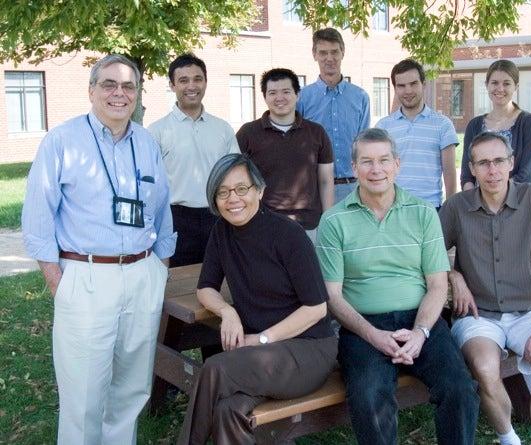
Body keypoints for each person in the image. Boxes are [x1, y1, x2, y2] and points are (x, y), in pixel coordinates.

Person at [21, 54, 176, 445]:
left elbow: (162, 212)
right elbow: (38, 219)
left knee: (131, 389)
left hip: (142, 275)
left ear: (138, 94)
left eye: (128, 86)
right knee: (84, 395)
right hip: (85, 278)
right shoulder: (62, 141)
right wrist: (59, 283)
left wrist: (158, 271)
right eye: (108, 84)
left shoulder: (147, 142)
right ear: (91, 90)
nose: (118, 94)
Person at [316, 128, 479, 445]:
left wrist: (420, 333)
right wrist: (373, 335)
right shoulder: (334, 221)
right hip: (362, 326)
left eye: (383, 160)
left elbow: (436, 285)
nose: (376, 169)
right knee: (367, 395)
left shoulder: (422, 214)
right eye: (366, 161)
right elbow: (332, 297)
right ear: (353, 168)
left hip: (422, 321)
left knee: (459, 388)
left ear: (397, 164)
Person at [178, 154, 337, 445]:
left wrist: (263, 339)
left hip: (308, 351)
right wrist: (227, 312)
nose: (233, 199)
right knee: (229, 410)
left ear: (260, 191)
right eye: (223, 192)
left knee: (216, 367)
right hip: (261, 357)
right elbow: (205, 288)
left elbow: (316, 308)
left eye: (241, 189)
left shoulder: (289, 234)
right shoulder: (221, 232)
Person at [439, 132, 531, 445]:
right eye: (483, 163)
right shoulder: (457, 207)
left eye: (499, 160)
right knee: (486, 368)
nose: (492, 170)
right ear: (472, 168)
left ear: (511, 163)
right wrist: (454, 276)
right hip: (477, 315)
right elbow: (428, 254)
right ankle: (509, 438)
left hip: (528, 309)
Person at [148, 53, 239, 267]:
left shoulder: (223, 129)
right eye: (183, 80)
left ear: (205, 82)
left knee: (221, 280)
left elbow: (235, 174)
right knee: (177, 286)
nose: (192, 86)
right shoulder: (156, 131)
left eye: (198, 79)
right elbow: (149, 186)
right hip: (175, 219)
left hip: (218, 215)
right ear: (172, 85)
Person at [236, 68, 334, 242]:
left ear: (297, 95)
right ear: (265, 96)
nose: (279, 98)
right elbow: (237, 180)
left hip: (309, 226)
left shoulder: (316, 132)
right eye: (272, 92)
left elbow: (326, 180)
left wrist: (328, 221)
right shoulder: (248, 133)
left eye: (286, 92)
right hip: (263, 225)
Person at [297, 27, 370, 202]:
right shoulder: (302, 98)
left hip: (353, 188)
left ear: (342, 52)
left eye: (334, 52)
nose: (329, 58)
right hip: (314, 189)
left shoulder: (360, 97)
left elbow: (365, 144)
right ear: (314, 54)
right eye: (323, 53)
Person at [376, 59, 458, 209]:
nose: (408, 91)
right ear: (395, 88)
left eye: (413, 84)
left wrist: (451, 211)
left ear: (424, 84)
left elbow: (450, 172)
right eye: (401, 86)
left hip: (431, 209)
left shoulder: (443, 124)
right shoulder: (383, 127)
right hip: (393, 209)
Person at [460, 59, 531, 190]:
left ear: (516, 87)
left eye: (507, 83)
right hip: (477, 204)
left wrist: (495, 196)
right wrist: (473, 201)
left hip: (515, 201)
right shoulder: (474, 125)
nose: (500, 88)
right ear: (487, 85)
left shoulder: (528, 123)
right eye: (495, 83)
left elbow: (526, 175)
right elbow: (467, 175)